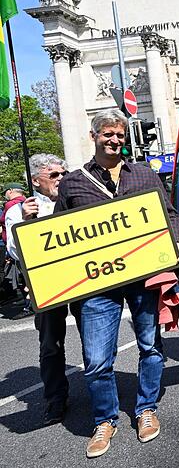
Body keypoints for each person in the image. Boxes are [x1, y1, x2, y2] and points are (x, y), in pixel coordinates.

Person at [54, 109, 179, 457]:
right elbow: (57, 235)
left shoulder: (143, 175)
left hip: (144, 278)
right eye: (107, 134)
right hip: (97, 286)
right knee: (96, 360)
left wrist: (177, 244)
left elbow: (169, 213)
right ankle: (104, 420)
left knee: (151, 347)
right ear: (94, 135)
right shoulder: (72, 182)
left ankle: (146, 409)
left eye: (120, 135)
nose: (114, 140)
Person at [5, 155, 81, 426]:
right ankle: (55, 398)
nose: (61, 179)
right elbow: (15, 251)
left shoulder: (73, 198)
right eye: (55, 175)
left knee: (94, 337)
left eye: (64, 173)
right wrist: (26, 222)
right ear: (37, 180)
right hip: (45, 286)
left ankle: (99, 386)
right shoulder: (21, 210)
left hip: (81, 279)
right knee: (51, 344)